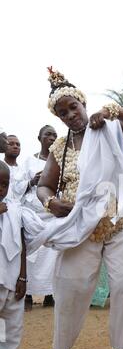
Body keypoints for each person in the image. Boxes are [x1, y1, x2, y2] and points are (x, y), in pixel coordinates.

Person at [31, 68, 123, 349]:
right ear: (59, 118)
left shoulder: (111, 128)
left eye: (74, 107)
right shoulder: (60, 148)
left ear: (83, 104)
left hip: (121, 221)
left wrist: (113, 110)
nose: (71, 115)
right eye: (63, 113)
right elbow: (44, 185)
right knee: (70, 288)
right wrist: (50, 201)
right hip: (80, 226)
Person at [22, 126, 58, 310]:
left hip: (52, 215)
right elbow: (18, 185)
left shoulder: (60, 160)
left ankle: (50, 294)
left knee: (52, 255)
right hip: (34, 215)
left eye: (54, 135)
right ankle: (28, 293)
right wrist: (33, 182)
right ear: (39, 138)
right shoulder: (29, 161)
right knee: (31, 255)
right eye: (48, 135)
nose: (51, 138)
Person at [0, 161, 27, 349]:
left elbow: (23, 241)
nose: (1, 188)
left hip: (11, 279)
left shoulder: (14, 209)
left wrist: (23, 277)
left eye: (5, 184)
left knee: (10, 329)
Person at [4, 135, 28, 203]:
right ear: (3, 146)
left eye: (18, 145)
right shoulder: (1, 167)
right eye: (11, 144)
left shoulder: (24, 171)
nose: (15, 146)